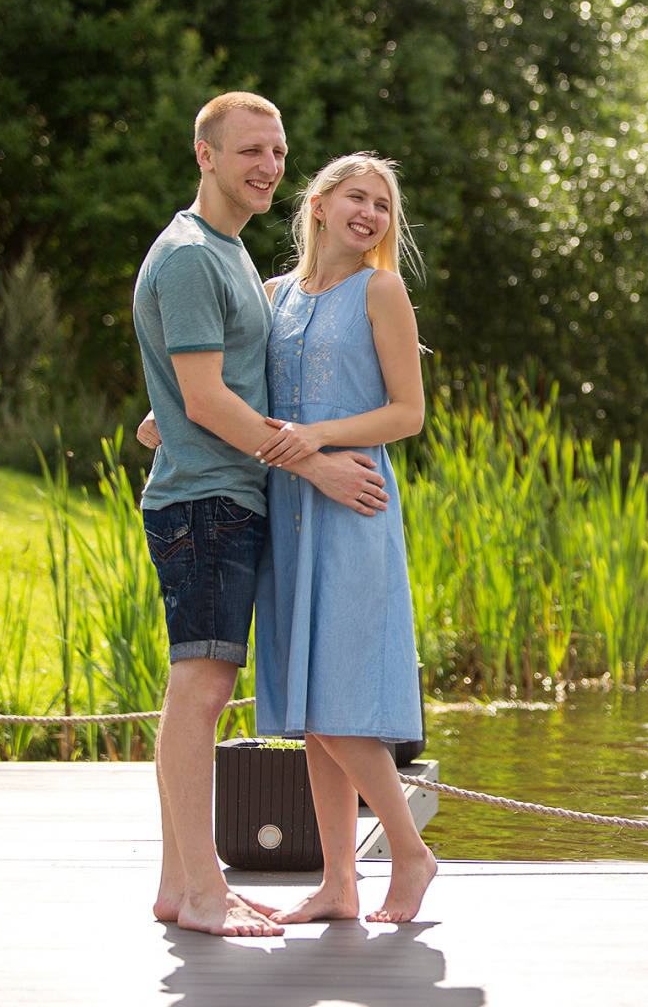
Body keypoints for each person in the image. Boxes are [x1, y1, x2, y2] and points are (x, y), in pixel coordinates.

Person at [132, 94, 389, 937]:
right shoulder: (189, 258)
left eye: (278, 151)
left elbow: (190, 397)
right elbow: (205, 397)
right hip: (205, 502)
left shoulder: (231, 256)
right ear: (204, 154)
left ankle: (183, 886)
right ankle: (203, 890)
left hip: (227, 495)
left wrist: (172, 417)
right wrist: (312, 462)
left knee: (203, 689)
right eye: (250, 151)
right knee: (199, 690)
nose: (268, 166)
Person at [249, 152, 437, 924]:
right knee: (307, 707)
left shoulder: (381, 290)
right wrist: (173, 418)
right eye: (356, 197)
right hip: (286, 513)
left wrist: (316, 438)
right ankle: (338, 884)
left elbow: (407, 413)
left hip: (354, 506)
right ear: (319, 205)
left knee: (337, 704)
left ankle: (411, 852)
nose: (370, 214)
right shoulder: (272, 295)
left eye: (383, 205)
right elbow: (239, 392)